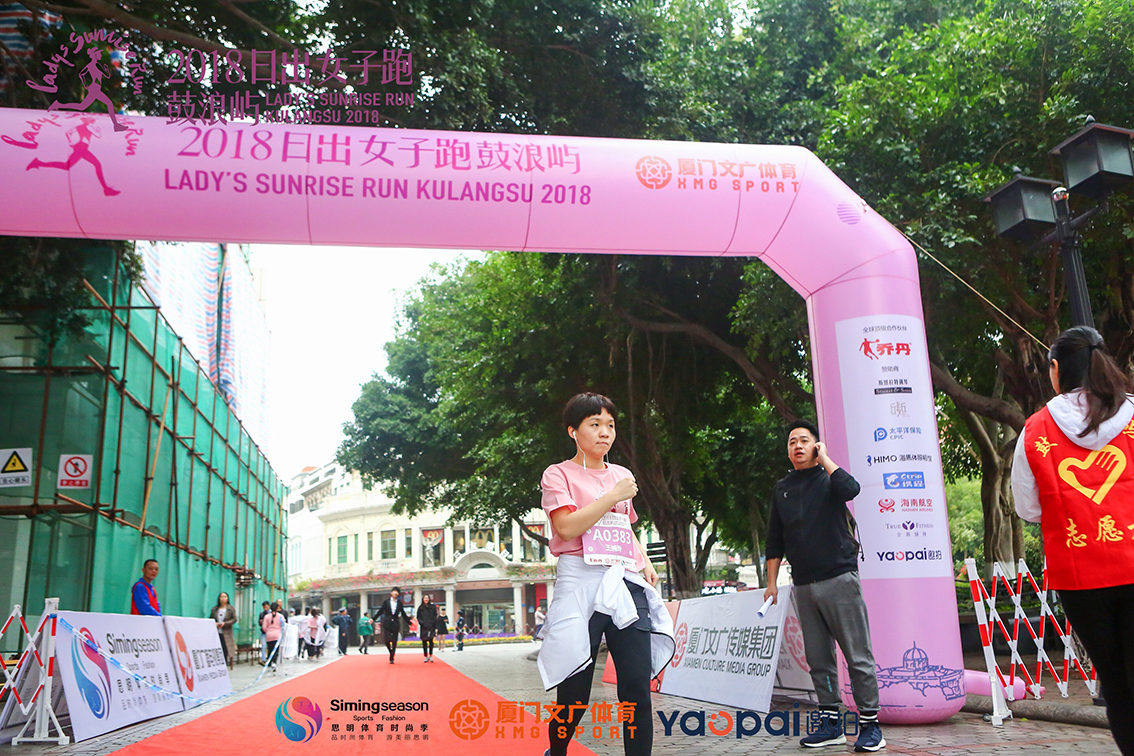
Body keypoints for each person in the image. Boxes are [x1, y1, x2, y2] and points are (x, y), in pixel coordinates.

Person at [1012, 326, 1134, 755]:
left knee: (1115, 685)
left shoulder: (1035, 430)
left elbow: (1028, 508)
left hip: (1081, 577)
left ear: (1056, 369)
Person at [538, 392, 674, 756]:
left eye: (610, 425)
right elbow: (566, 527)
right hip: (579, 581)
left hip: (623, 581)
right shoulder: (557, 474)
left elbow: (623, 526)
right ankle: (557, 751)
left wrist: (644, 560)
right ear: (573, 431)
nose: (604, 433)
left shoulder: (622, 475)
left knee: (636, 688)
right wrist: (612, 495)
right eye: (594, 424)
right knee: (575, 693)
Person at [764, 419, 884, 752]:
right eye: (792, 442)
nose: (797, 446)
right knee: (819, 660)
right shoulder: (782, 489)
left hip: (839, 579)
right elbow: (774, 539)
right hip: (804, 585)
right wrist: (771, 583)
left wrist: (826, 459)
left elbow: (851, 489)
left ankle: (870, 725)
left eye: (804, 440)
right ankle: (831, 724)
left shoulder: (829, 479)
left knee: (857, 656)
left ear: (816, 446)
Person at [374, 588, 409, 664]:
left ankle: (392, 657)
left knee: (394, 641)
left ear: (398, 594)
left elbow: (403, 613)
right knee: (387, 640)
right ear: (391, 593)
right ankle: (391, 651)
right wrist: (373, 619)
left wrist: (409, 622)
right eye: (394, 591)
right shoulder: (386, 602)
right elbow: (380, 611)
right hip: (387, 623)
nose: (395, 593)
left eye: (397, 592)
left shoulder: (399, 603)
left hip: (395, 623)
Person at [211, 592, 237, 670]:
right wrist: (214, 623)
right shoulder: (215, 609)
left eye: (225, 597)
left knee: (225, 649)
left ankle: (224, 665)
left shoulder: (230, 609)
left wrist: (225, 623)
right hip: (216, 632)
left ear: (227, 598)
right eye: (221, 597)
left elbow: (234, 619)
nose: (223, 598)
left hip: (226, 632)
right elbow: (211, 618)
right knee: (217, 648)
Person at [261, 602, 284, 670]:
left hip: (269, 635)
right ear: (277, 608)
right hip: (277, 635)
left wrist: (268, 631)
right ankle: (274, 662)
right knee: (276, 650)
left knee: (270, 649)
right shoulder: (280, 616)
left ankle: (269, 662)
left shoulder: (266, 616)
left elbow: (264, 627)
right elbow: (283, 625)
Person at [417, 595, 438, 662]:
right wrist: (422, 623)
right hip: (424, 627)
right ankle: (425, 656)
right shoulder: (420, 608)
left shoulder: (432, 607)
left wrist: (433, 624)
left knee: (431, 641)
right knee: (424, 641)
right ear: (423, 599)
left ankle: (431, 655)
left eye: (427, 598)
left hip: (431, 626)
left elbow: (435, 616)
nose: (426, 599)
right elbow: (418, 617)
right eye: (425, 598)